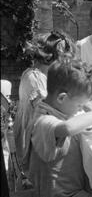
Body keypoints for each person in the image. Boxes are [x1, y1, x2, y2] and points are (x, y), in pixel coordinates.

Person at [27, 58, 92, 197]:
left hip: (69, 190)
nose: (80, 109)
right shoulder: (43, 121)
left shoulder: (51, 106)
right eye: (79, 106)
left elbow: (69, 114)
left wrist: (84, 104)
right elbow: (68, 128)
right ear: (61, 98)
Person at [13, 31, 75, 170]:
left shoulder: (41, 74)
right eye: (65, 60)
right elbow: (52, 113)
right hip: (34, 150)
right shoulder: (35, 79)